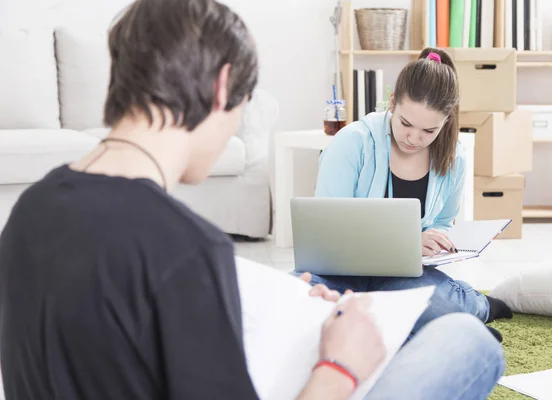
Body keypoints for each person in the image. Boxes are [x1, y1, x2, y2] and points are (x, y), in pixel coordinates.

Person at [0, 1, 504, 399]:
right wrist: (338, 368)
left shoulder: (27, 213)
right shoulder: (187, 250)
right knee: (469, 346)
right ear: (222, 87)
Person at [298, 48, 513, 340]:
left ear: (447, 120)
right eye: (405, 123)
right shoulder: (351, 143)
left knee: (437, 305)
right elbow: (326, 230)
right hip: (339, 273)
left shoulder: (454, 158)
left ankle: (476, 306)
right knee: (294, 298)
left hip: (401, 277)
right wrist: (407, 241)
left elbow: (444, 220)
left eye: (429, 130)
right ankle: (445, 328)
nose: (414, 138)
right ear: (392, 103)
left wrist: (434, 241)